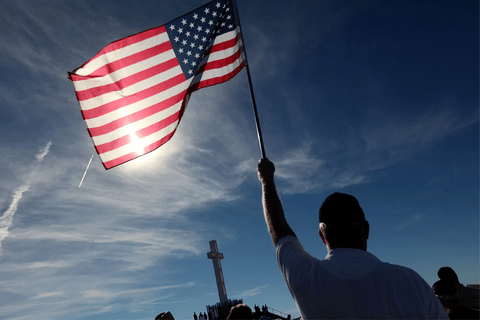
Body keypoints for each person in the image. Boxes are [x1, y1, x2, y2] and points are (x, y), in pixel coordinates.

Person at [257, 158, 449, 320]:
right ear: (366, 230)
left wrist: (266, 180)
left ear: (322, 237)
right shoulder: (411, 282)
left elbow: (279, 230)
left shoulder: (307, 278)